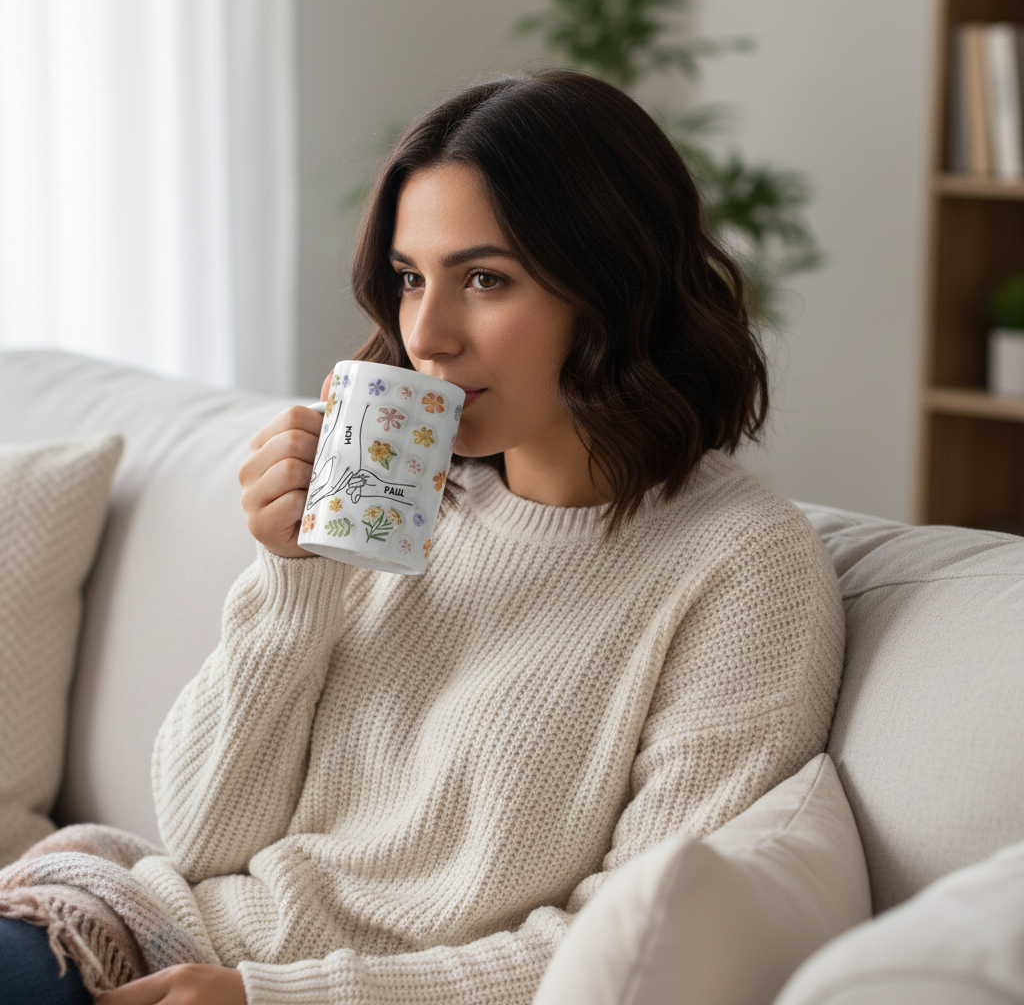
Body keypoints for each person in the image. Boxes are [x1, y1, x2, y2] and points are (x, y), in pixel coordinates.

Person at [0, 70, 844, 1005]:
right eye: (410, 279)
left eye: (485, 279)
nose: (427, 335)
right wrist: (295, 576)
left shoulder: (741, 567)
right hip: (135, 933)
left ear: (614, 286)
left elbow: (631, 939)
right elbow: (202, 841)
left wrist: (277, 1000)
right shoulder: (397, 488)